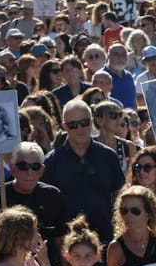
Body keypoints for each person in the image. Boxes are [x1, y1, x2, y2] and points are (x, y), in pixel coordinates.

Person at [43, 97, 124, 244]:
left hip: (105, 239)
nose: (79, 129)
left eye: (84, 123)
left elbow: (119, 197)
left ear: (92, 122)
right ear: (64, 127)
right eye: (73, 125)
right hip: (67, 245)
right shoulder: (51, 162)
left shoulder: (108, 156)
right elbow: (48, 208)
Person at [106, 183, 156, 266]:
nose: (128, 216)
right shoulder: (115, 247)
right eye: (124, 210)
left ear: (149, 214)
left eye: (135, 211)